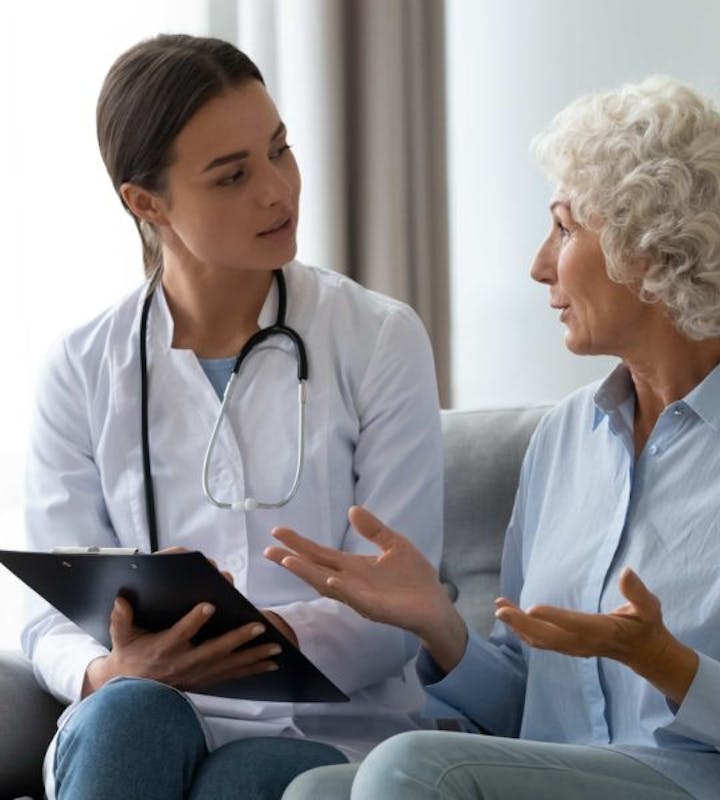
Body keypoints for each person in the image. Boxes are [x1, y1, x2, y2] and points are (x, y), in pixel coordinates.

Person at [267, 76, 720, 800]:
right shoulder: (565, 439)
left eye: (565, 227)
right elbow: (534, 714)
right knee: (314, 794)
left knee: (405, 772)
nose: (540, 264)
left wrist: (671, 665)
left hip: (719, 787)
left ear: (656, 248)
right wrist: (437, 624)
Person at [20, 33, 443, 800]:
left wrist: (256, 643)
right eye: (233, 176)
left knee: (243, 777)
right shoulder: (81, 368)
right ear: (146, 204)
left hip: (328, 728)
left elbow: (398, 607)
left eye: (280, 150)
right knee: (130, 717)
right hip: (141, 714)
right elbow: (45, 608)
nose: (279, 191)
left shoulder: (377, 338)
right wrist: (111, 669)